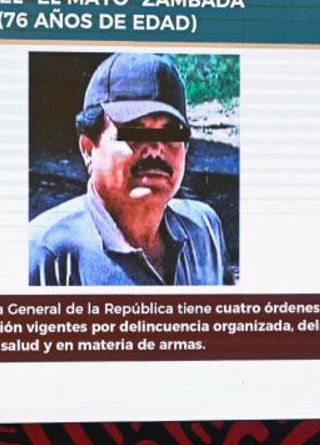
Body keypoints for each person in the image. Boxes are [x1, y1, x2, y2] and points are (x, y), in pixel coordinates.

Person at [29, 53, 232, 285]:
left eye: (170, 133)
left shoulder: (205, 230)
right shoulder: (46, 254)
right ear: (88, 148)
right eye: (134, 131)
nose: (156, 150)